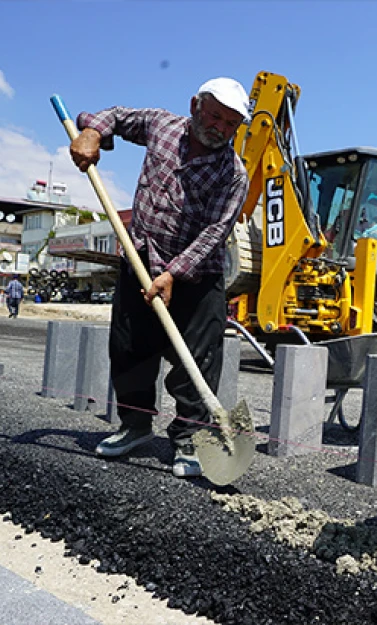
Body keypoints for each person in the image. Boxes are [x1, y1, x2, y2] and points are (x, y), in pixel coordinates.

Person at [67, 77, 250, 478]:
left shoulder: (233, 173)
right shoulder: (161, 126)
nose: (220, 128)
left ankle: (189, 438)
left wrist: (173, 273)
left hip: (197, 275)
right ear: (195, 105)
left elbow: (214, 233)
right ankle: (134, 426)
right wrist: (93, 132)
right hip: (140, 259)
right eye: (215, 116)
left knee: (198, 360)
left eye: (231, 123)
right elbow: (113, 116)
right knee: (130, 347)